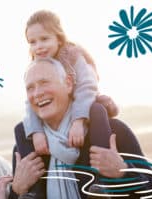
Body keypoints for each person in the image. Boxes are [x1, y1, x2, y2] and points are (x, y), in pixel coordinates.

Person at [13, 58, 152, 199]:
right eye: (30, 88)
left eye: (44, 82)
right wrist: (16, 190)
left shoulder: (113, 132)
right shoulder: (25, 149)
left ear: (68, 83)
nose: (37, 93)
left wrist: (124, 172)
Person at [22, 9, 118, 197]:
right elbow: (30, 102)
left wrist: (78, 120)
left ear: (59, 38)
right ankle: (34, 190)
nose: (38, 47)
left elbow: (87, 87)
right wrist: (36, 132)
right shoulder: (35, 66)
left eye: (44, 39)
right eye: (32, 42)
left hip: (85, 104)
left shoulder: (73, 55)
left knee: (97, 110)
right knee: (21, 128)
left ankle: (101, 179)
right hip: (56, 117)